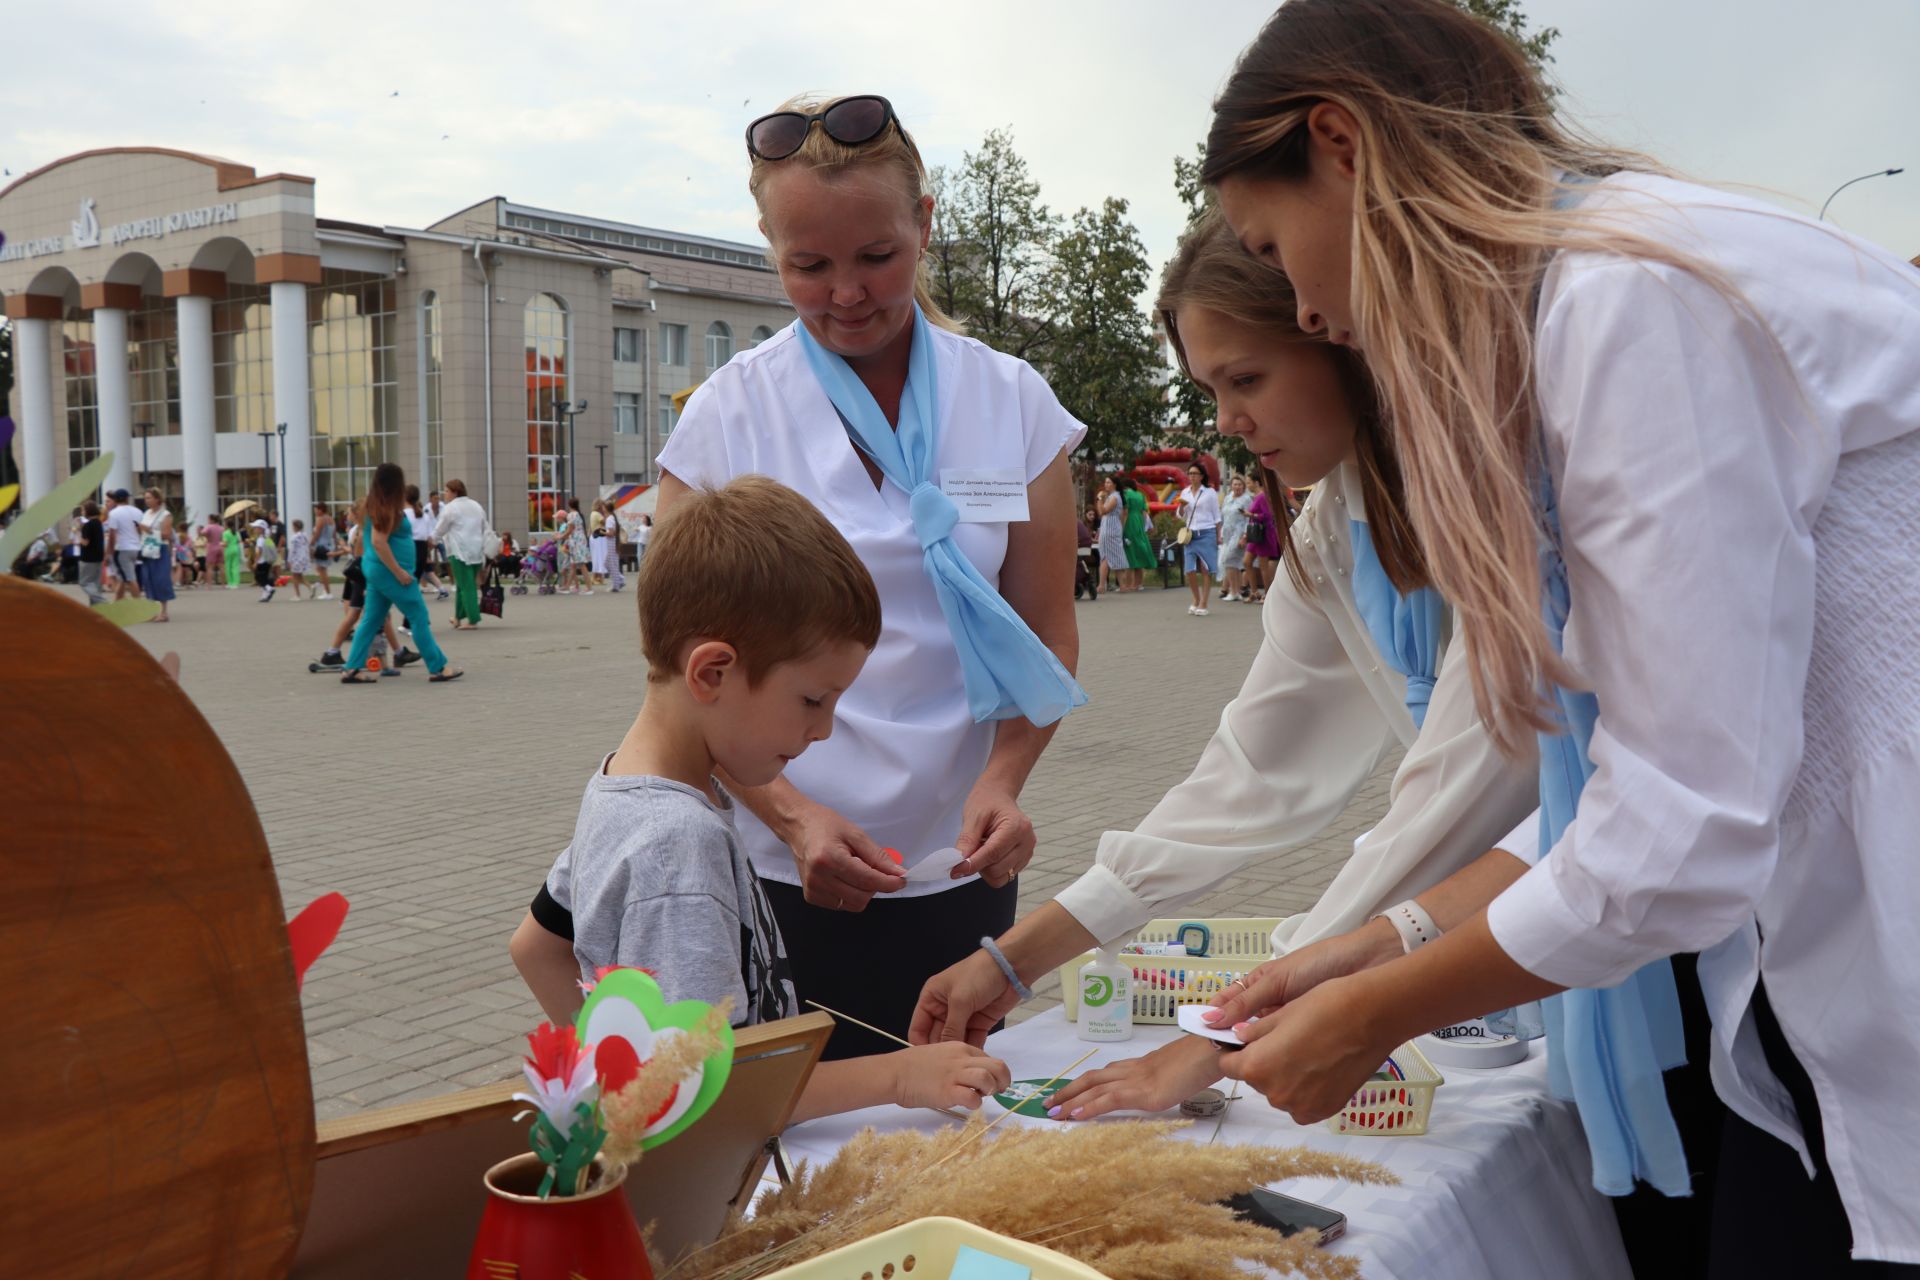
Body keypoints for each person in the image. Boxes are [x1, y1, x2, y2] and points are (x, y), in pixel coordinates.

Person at [1194, 1, 1920, 1271]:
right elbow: (1647, 776)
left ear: (1343, 145)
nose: (1304, 308)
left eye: (1273, 240)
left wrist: (1379, 1008)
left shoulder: (1631, 295)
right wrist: (1382, 941)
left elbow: (1684, 822)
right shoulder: (1605, 285)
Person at [911, 205, 1536, 1137]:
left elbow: (1456, 800)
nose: (1228, 421)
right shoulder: (1331, 529)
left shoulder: (1501, 508)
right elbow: (1248, 778)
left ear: (1344, 339)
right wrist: (1014, 959)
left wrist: (1221, 1034)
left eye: (1246, 378)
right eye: (1209, 388)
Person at [511, 92, 1086, 1061]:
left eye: (878, 257)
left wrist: (1004, 779)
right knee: (794, 1134)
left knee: (945, 1125)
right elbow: (679, 659)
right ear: (768, 245)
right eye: (807, 266)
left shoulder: (1013, 403)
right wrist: (790, 810)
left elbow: (1044, 635)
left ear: (926, 223)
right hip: (781, 864)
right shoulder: (728, 417)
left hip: (962, 862)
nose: (847, 293)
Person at [515, 477, 1011, 1121]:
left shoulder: (621, 785)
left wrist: (616, 1086)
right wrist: (900, 1074)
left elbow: (536, 944)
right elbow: (718, 1092)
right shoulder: (678, 844)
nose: (825, 728)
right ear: (712, 672)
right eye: (812, 699)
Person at [338, 466, 461, 684]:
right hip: (391, 573)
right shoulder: (384, 507)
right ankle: (438, 667)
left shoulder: (375, 505)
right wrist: (398, 571)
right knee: (419, 616)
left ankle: (351, 668)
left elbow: (368, 540)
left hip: (378, 571)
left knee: (371, 619)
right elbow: (378, 541)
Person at [436, 478, 490, 630]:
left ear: (455, 492)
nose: (444, 494)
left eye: (446, 491)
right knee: (462, 584)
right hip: (476, 550)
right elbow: (484, 526)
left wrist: (431, 540)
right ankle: (458, 617)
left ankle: (473, 619)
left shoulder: (450, 508)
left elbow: (440, 528)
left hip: (459, 551)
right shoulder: (476, 505)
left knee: (466, 586)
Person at [1175, 462, 1221, 615]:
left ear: (1202, 476)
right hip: (1190, 535)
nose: (1192, 476)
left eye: (1195, 473)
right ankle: (1196, 598)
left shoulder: (1210, 492)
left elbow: (1216, 516)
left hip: (1207, 532)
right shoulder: (1185, 492)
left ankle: (1204, 602)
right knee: (1189, 570)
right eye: (1190, 474)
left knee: (1206, 568)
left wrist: (1218, 535)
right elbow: (1180, 515)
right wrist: (1181, 507)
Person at [136, 488, 175, 622]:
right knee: (148, 578)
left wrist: (149, 530)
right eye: (145, 498)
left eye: (149, 498)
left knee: (160, 579)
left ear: (157, 499)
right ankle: (151, 610)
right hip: (147, 548)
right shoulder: (146, 513)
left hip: (159, 549)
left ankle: (164, 612)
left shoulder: (165, 514)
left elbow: (167, 534)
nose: (146, 500)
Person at [403, 485, 447, 601]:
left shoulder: (403, 514)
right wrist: (427, 554)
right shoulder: (424, 515)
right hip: (422, 550)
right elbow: (430, 540)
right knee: (414, 580)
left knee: (406, 581)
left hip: (408, 548)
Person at [103, 489, 144, 602]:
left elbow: (112, 535)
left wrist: (108, 553)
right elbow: (141, 530)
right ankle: (117, 602)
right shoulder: (138, 511)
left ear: (115, 500)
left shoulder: (114, 513)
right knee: (123, 577)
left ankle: (140, 607)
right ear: (127, 498)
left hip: (122, 549)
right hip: (136, 547)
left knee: (130, 578)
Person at [1218, 474, 1254, 603]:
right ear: (1231, 486)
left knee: (1228, 560)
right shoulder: (1227, 498)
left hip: (1238, 533)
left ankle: (1233, 591)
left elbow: (1248, 518)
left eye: (1239, 484)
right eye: (1235, 484)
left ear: (1243, 486)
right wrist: (1220, 533)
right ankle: (1236, 591)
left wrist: (1245, 536)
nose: (1237, 487)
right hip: (1227, 533)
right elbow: (1223, 516)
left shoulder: (1246, 500)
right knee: (1233, 562)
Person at [1117, 474, 1154, 591]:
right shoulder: (1140, 495)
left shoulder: (1125, 494)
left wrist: (1121, 528)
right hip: (1139, 523)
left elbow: (1125, 512)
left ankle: (1129, 585)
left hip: (1129, 524)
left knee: (1130, 554)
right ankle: (1139, 584)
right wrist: (1143, 527)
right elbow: (1144, 512)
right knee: (1139, 553)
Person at [1095, 475, 1125, 593]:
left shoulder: (1114, 497)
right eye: (1105, 482)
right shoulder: (1112, 496)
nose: (1106, 484)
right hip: (1110, 528)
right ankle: (1121, 585)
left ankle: (1102, 585)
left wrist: (1099, 500)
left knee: (1106, 557)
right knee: (1114, 556)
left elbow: (1103, 511)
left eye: (1108, 482)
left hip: (1110, 530)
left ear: (1114, 484)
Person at [75, 500, 106, 605]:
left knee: (84, 582)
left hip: (88, 558)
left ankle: (102, 602)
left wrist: (78, 532)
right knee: (95, 583)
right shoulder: (98, 523)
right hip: (98, 556)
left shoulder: (88, 525)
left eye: (83, 510)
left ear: (88, 511)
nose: (82, 512)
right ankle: (96, 607)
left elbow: (85, 542)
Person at [558, 497, 591, 595]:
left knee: (581, 564)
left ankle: (589, 588)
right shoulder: (578, 514)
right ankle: (567, 587)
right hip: (579, 540)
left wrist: (561, 537)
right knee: (573, 565)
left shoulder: (571, 515)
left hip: (576, 542)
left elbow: (570, 529)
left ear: (569, 505)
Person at [310, 504, 337, 600]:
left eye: (316, 510)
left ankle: (328, 592)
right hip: (329, 545)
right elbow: (334, 534)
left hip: (321, 546)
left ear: (321, 510)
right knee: (320, 568)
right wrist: (336, 546)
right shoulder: (331, 519)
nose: (315, 512)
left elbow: (317, 534)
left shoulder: (320, 519)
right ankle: (323, 587)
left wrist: (311, 543)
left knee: (322, 570)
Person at [250, 518, 278, 603]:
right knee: (264, 578)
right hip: (267, 561)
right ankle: (265, 595)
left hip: (261, 561)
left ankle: (269, 589)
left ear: (261, 529)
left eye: (255, 528)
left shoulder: (260, 539)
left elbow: (259, 551)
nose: (254, 529)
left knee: (259, 577)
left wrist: (255, 562)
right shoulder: (267, 538)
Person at [286, 519, 311, 600]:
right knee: (299, 576)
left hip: (296, 558)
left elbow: (292, 550)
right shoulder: (305, 535)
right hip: (304, 558)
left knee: (294, 576)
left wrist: (289, 560)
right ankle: (311, 587)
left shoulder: (294, 537)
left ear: (295, 527)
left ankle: (297, 595)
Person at [221, 519, 243, 589]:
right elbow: (239, 541)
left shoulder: (225, 533)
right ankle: (235, 583)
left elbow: (225, 543)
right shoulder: (236, 532)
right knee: (235, 566)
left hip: (228, 550)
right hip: (236, 549)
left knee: (228, 567)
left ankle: (230, 582)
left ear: (227, 525)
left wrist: (220, 544)